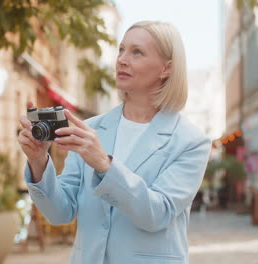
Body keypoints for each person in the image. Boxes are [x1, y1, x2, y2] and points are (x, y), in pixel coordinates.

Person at [18, 21, 211, 264]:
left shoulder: (191, 142)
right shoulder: (90, 129)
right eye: (121, 50)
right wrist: (38, 162)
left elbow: (157, 214)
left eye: (137, 52)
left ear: (166, 68)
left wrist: (103, 165)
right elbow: (59, 212)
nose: (122, 59)